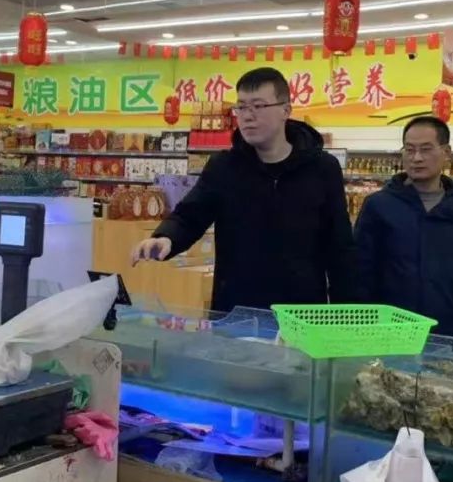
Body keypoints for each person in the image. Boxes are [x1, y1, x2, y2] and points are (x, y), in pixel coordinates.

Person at [131, 67, 358, 312]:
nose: (247, 116)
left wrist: (346, 315)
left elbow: (340, 248)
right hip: (235, 313)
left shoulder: (322, 169)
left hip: (300, 315)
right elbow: (190, 215)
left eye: (258, 106)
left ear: (285, 110)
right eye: (241, 107)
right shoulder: (224, 167)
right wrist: (166, 237)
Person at [354, 116, 453, 347]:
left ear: (446, 152)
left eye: (426, 149)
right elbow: (360, 274)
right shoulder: (379, 206)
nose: (416, 158)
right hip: (391, 334)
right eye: (409, 150)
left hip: (450, 335)